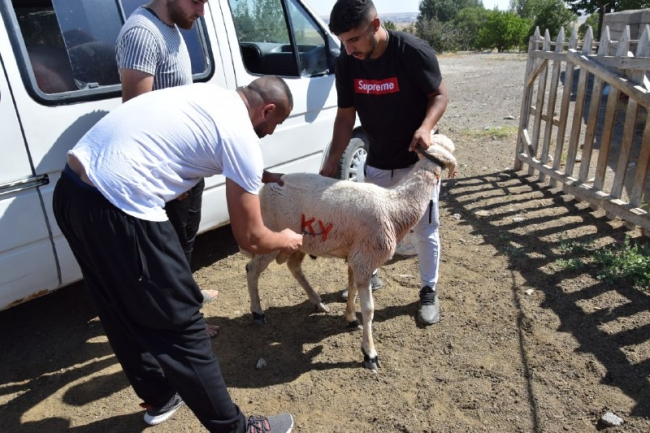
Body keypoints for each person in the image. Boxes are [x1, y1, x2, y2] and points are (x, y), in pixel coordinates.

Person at [52, 76, 300, 432]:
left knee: (117, 306)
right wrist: (286, 239)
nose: (272, 133)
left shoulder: (207, 97)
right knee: (183, 322)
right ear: (268, 110)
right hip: (119, 206)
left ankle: (160, 394)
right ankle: (238, 429)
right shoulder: (240, 135)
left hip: (72, 193)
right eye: (275, 124)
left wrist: (256, 175)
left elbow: (186, 143)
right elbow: (251, 239)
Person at [320, 0, 449, 326]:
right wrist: (329, 166)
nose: (348, 50)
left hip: (417, 164)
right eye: (342, 42)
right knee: (370, 228)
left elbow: (439, 96)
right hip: (377, 161)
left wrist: (425, 127)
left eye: (353, 39)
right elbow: (345, 117)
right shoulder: (347, 64)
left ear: (376, 24)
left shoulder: (412, 52)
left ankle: (428, 291)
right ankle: (371, 273)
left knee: (425, 229)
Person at [116, 0, 218, 334]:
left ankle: (187, 299)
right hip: (169, 177)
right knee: (167, 255)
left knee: (184, 243)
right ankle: (182, 325)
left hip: (184, 170)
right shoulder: (143, 33)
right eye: (197, 1)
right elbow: (135, 118)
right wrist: (167, 178)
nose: (201, 11)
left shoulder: (172, 28)